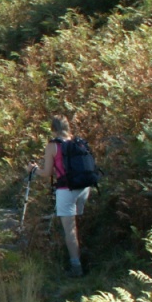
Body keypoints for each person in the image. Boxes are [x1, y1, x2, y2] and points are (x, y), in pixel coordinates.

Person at [30, 115, 89, 277]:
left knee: (70, 230)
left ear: (53, 129)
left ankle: (76, 267)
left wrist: (33, 169)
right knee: (76, 225)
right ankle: (84, 256)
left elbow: (47, 173)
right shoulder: (78, 142)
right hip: (84, 188)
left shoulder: (53, 146)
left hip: (66, 190)